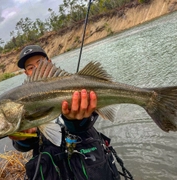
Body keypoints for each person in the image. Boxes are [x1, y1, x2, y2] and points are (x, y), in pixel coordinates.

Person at [9, 45, 131, 180]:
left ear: (49, 63)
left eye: (40, 63)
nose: (37, 69)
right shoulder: (22, 102)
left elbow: (87, 122)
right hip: (54, 168)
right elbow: (24, 145)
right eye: (31, 67)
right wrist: (22, 136)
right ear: (26, 73)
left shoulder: (74, 84)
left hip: (89, 162)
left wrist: (75, 121)